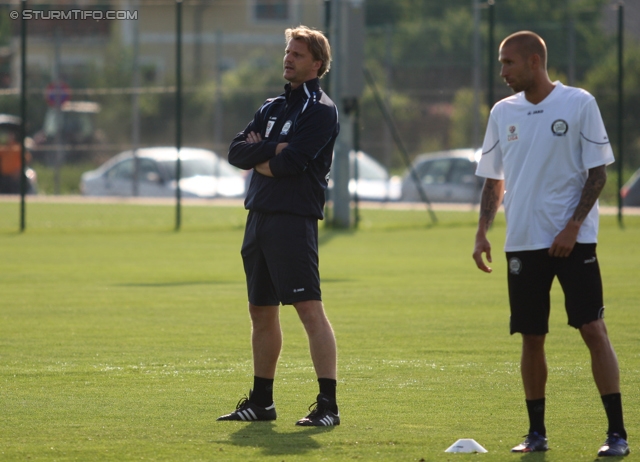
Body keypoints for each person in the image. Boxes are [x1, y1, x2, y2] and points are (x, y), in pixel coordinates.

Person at [472, 31, 629, 457]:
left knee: (592, 328)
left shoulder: (579, 103)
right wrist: (483, 231)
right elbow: (494, 178)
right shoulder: (502, 112)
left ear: (534, 62)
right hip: (522, 242)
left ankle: (617, 434)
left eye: (508, 63)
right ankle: (536, 433)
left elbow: (598, 175)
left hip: (573, 242)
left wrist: (572, 227)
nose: (502, 71)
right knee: (531, 335)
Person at [217, 25, 340, 426]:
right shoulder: (271, 107)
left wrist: (263, 155)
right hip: (259, 220)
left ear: (317, 64)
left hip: (294, 221)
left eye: (298, 55)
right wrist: (270, 151)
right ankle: (262, 403)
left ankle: (328, 406)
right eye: (288, 52)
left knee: (309, 310)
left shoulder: (321, 110)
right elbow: (237, 151)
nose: (288, 59)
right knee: (260, 312)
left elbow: (291, 165)